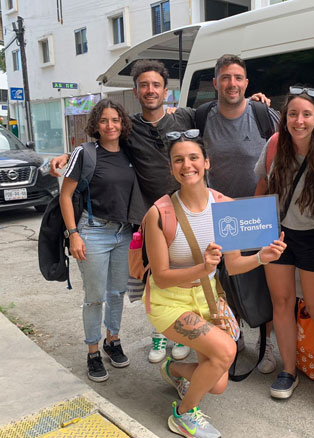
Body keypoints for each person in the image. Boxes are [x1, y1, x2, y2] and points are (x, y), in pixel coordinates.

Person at [50, 59, 270, 365]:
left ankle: (196, 334)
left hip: (194, 210)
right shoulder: (130, 128)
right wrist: (69, 155)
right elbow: (105, 140)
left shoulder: (187, 115)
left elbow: (226, 108)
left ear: (166, 90)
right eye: (144, 86)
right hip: (156, 218)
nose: (150, 90)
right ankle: (161, 336)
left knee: (202, 273)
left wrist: (253, 100)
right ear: (136, 91)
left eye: (156, 85)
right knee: (157, 279)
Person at [144, 132, 286, 438]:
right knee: (226, 351)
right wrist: (203, 268)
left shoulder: (225, 207)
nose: (187, 165)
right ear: (171, 169)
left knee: (218, 383)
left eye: (193, 158)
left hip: (207, 299)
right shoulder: (159, 213)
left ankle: (177, 369)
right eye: (178, 160)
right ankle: (182, 414)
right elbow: (162, 277)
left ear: (206, 163)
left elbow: (233, 266)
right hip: (168, 300)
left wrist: (262, 257)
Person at [254, 86, 314, 399]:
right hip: (277, 233)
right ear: (285, 118)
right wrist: (257, 232)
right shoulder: (274, 146)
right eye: (293, 114)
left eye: (306, 114)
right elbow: (262, 186)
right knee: (281, 303)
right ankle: (288, 371)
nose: (299, 120)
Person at [199, 54, 280, 374]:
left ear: (246, 84)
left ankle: (268, 342)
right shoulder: (202, 115)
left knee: (265, 280)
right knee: (227, 280)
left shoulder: (263, 114)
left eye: (238, 78)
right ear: (216, 82)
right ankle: (234, 335)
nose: (232, 84)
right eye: (225, 78)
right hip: (220, 213)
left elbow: (286, 148)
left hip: (259, 210)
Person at [59, 99, 135, 382]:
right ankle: (92, 352)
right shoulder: (85, 153)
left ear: (122, 123)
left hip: (123, 232)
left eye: (115, 120)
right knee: (94, 297)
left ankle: (112, 340)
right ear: (96, 125)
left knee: (117, 293)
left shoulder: (129, 152)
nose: (110, 125)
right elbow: (65, 195)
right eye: (104, 120)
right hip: (93, 231)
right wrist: (73, 234)